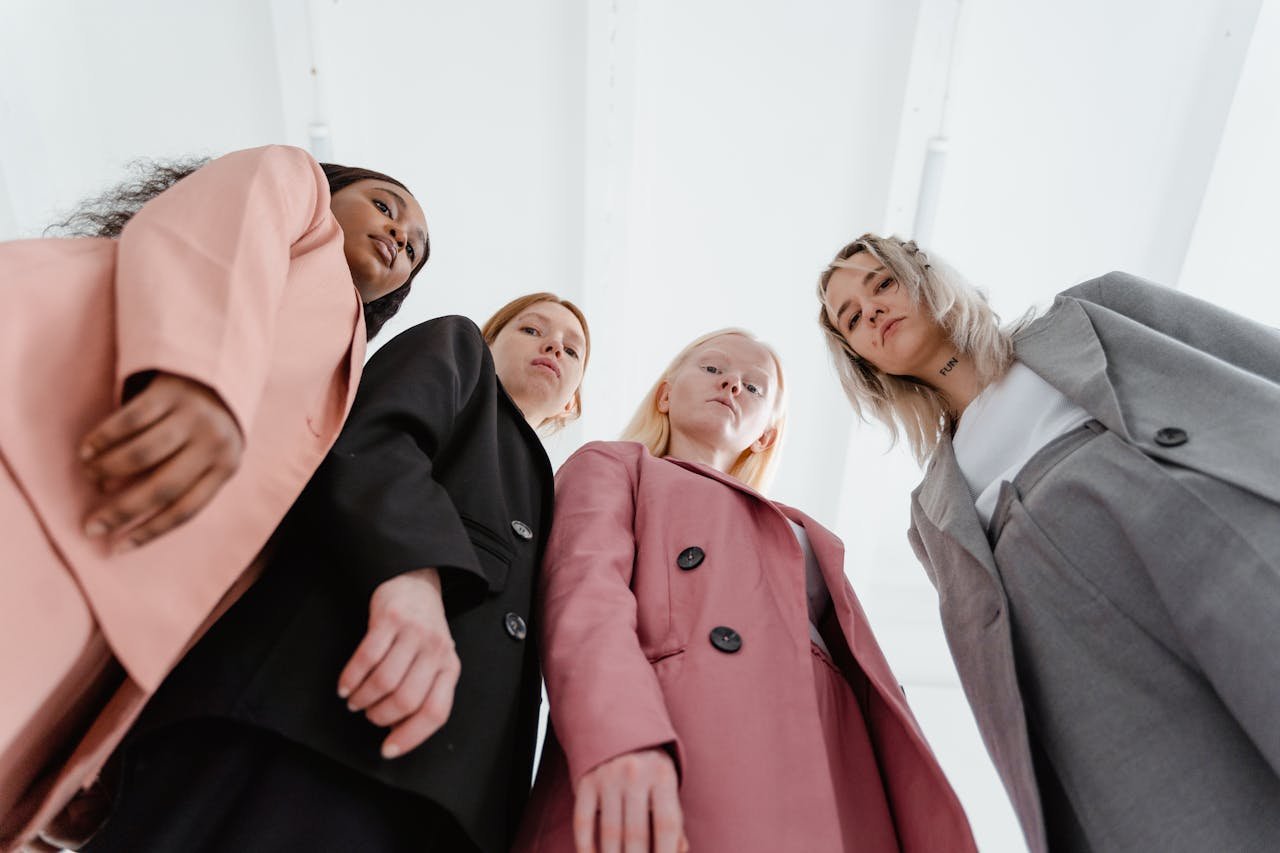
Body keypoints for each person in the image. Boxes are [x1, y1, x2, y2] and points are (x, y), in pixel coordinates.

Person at [0, 144, 428, 850]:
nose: (398, 235)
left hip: (113, 598)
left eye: (413, 248)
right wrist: (198, 375)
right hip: (54, 440)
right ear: (335, 188)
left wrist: (100, 741)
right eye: (386, 205)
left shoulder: (347, 380)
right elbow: (221, 232)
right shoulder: (296, 187)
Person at [816, 233, 1280, 852]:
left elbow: (1252, 362)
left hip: (1195, 531)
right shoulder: (929, 514)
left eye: (882, 283)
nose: (871, 310)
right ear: (863, 361)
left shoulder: (1093, 314)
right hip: (1083, 659)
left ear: (926, 276)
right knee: (1178, 810)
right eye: (852, 317)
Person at [84, 293, 590, 853]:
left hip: (437, 803)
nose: (553, 346)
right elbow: (374, 438)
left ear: (573, 404)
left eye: (572, 349)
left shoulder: (558, 492)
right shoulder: (460, 349)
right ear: (493, 341)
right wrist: (411, 576)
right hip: (302, 723)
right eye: (531, 330)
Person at [515, 329, 975, 853]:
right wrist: (619, 735)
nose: (733, 384)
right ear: (665, 394)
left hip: (831, 750)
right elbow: (584, 598)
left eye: (755, 388)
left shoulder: (802, 529)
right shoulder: (616, 465)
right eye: (713, 369)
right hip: (678, 728)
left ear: (765, 435)